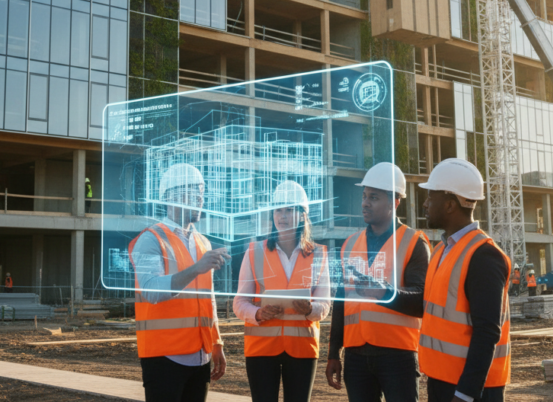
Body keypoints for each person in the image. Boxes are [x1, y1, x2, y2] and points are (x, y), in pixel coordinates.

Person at [326, 163, 430, 402]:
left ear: (395, 202)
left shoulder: (414, 243)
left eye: (373, 197)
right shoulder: (350, 245)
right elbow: (341, 303)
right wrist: (334, 353)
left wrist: (384, 292)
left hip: (398, 355)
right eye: (364, 196)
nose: (365, 203)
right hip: (355, 355)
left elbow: (422, 300)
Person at [130, 163, 228, 402]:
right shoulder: (150, 240)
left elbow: (208, 299)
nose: (200, 199)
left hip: (200, 355)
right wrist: (196, 268)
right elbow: (152, 291)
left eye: (201, 194)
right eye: (194, 193)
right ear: (173, 196)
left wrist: (216, 342)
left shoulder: (203, 242)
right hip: (164, 357)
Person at [418, 158, 511, 402]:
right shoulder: (441, 250)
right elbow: (430, 306)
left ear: (450, 205)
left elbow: (487, 331)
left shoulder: (484, 255)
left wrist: (465, 394)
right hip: (442, 380)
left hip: (472, 390)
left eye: (431, 197)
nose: (425, 204)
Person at [235, 181, 331, 402]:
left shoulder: (319, 254)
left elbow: (325, 305)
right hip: (261, 349)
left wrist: (310, 309)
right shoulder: (254, 251)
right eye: (278, 209)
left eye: (289, 209)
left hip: (302, 349)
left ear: (302, 215)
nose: (283, 215)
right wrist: (257, 313)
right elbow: (240, 302)